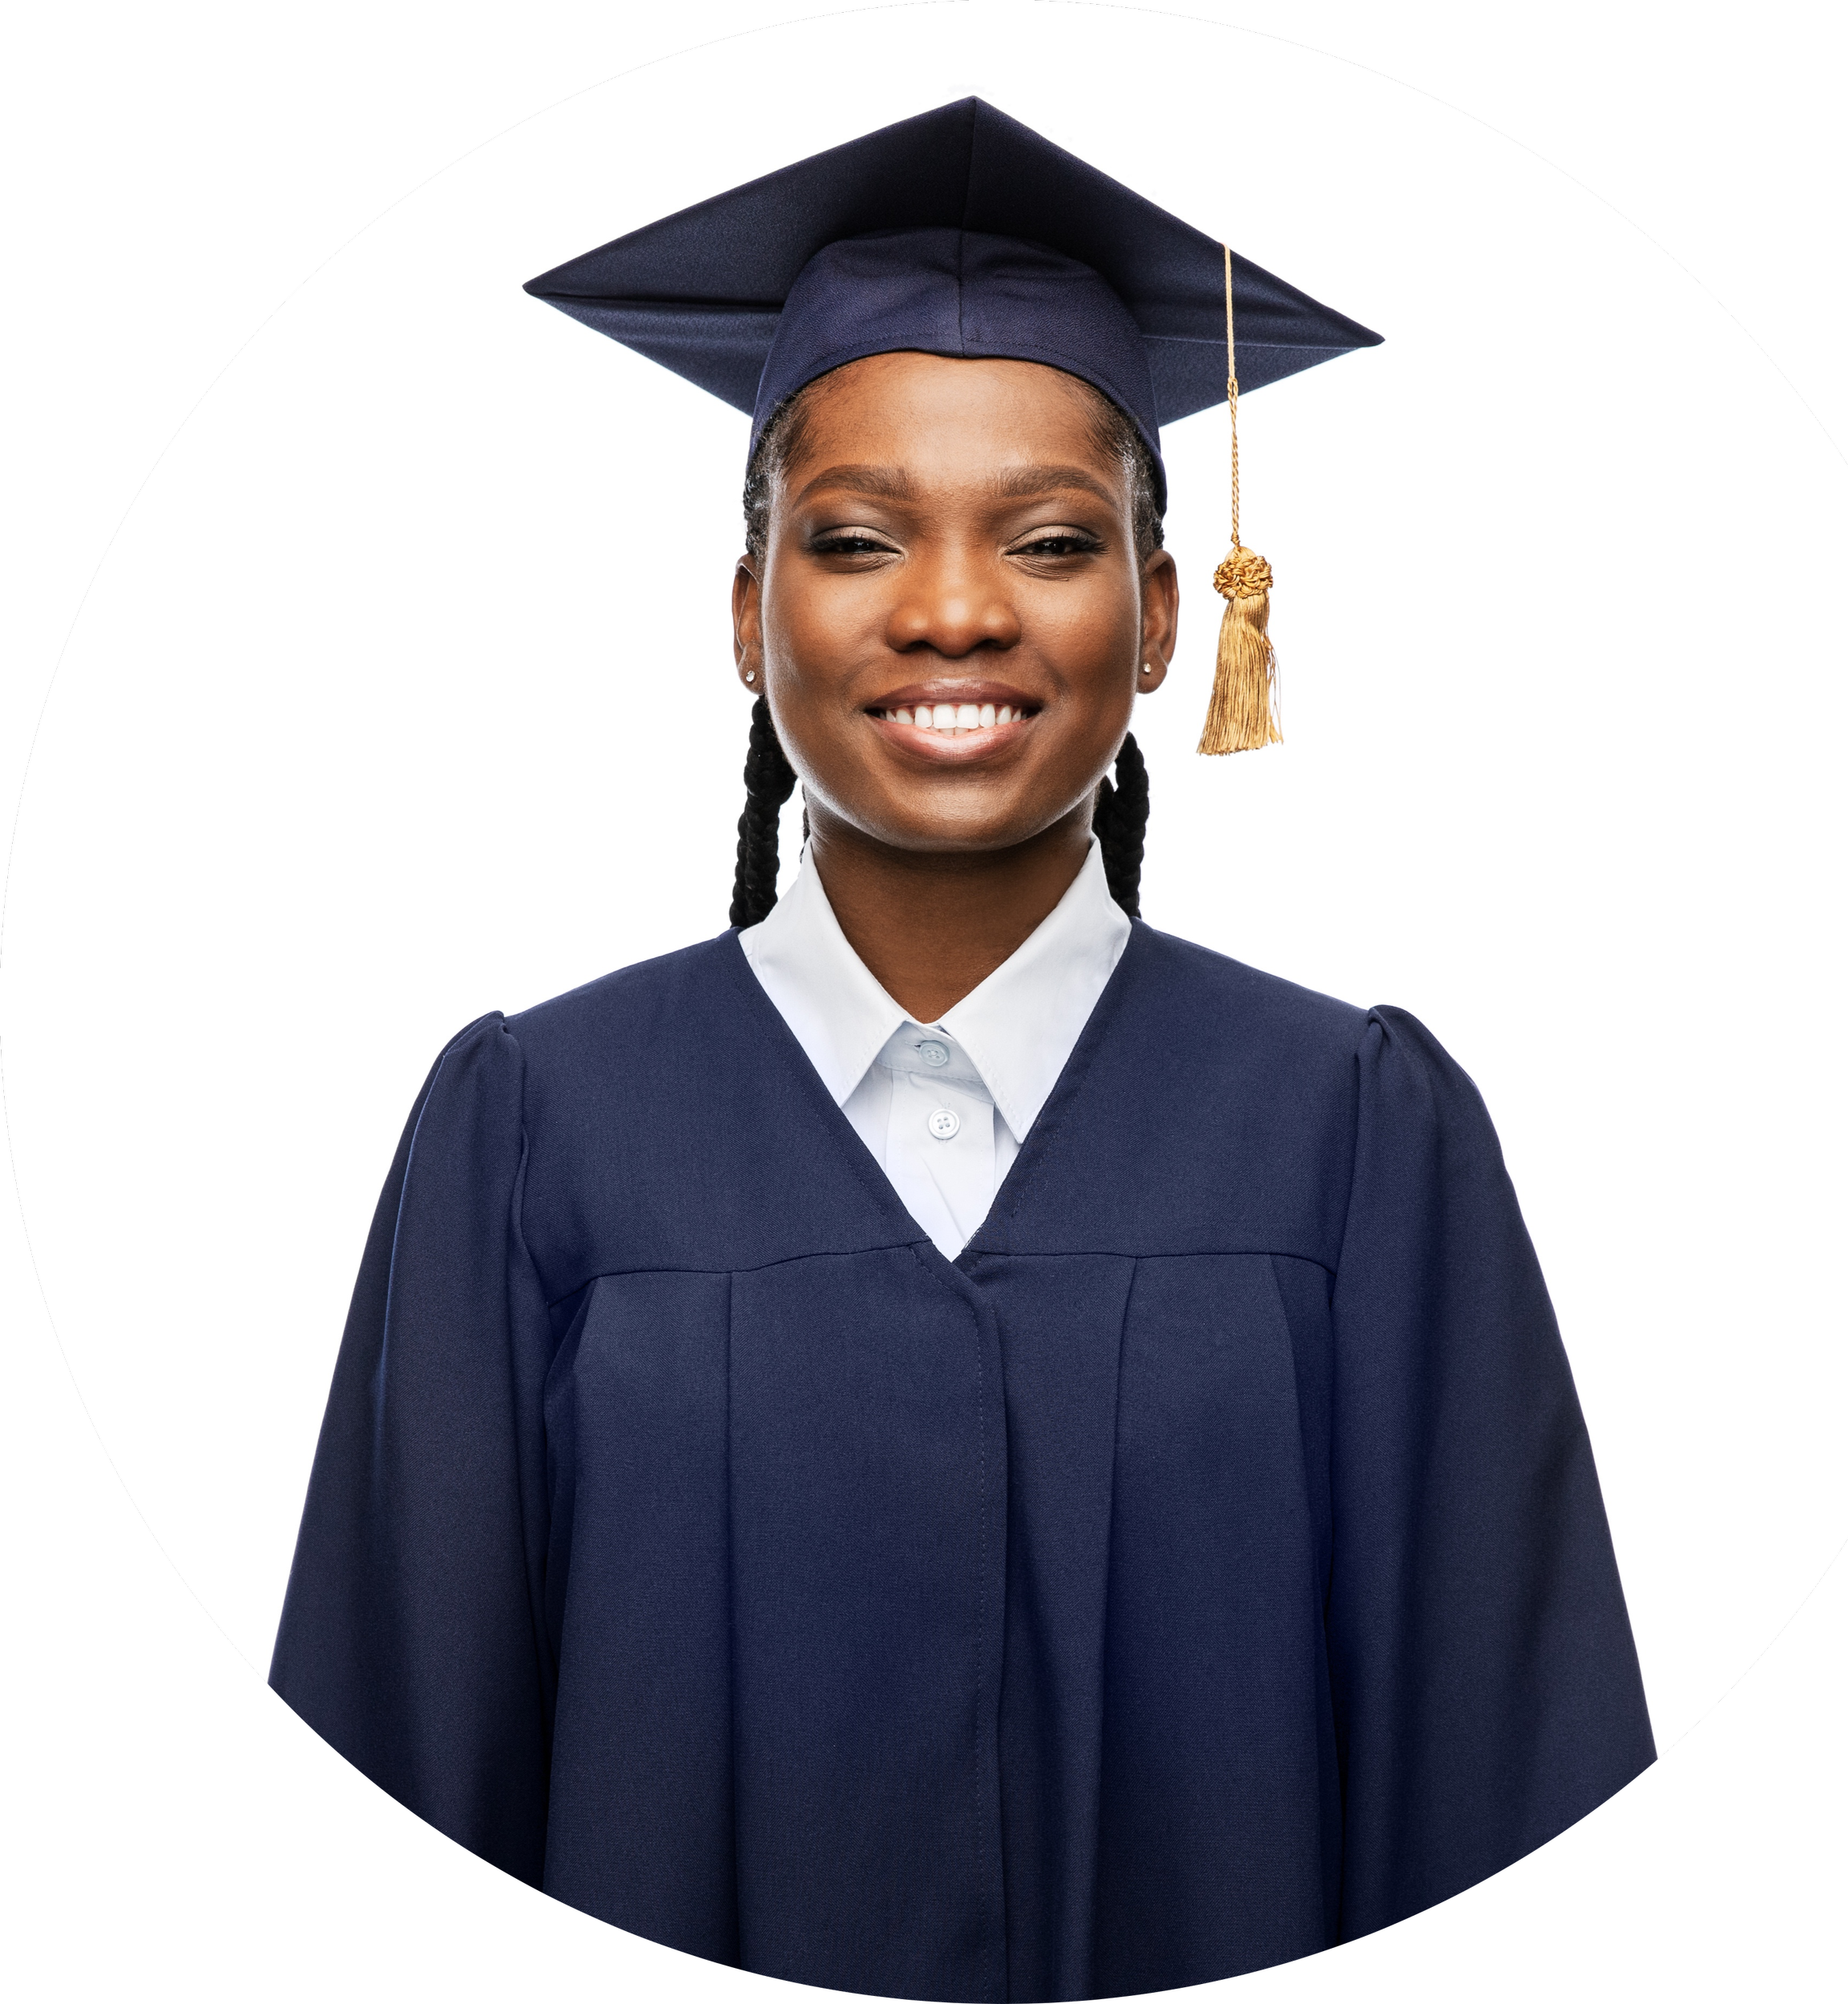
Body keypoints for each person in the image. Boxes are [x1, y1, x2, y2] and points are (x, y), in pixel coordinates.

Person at [271, 98, 1654, 2004]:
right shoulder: (532, 1134)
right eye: (851, 537)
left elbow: (1511, 1788)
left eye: (1051, 537)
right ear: (746, 618)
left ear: (1163, 616)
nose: (948, 607)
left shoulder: (1354, 1139)